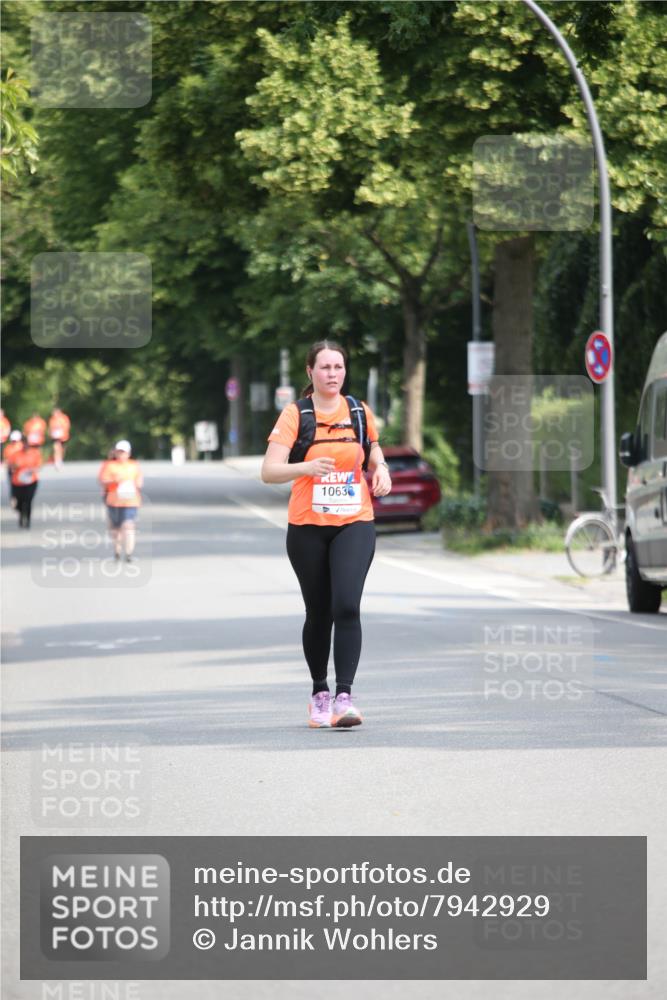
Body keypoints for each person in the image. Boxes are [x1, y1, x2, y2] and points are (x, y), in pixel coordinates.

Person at [261, 340, 392, 729]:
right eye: (325, 368)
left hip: (355, 520)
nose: (332, 374)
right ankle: (320, 692)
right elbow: (269, 471)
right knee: (319, 613)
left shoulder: (358, 411)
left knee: (347, 605)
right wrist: (305, 467)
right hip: (307, 526)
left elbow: (373, 450)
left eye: (338, 367)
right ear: (310, 373)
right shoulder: (295, 414)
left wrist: (380, 468)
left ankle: (344, 698)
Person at [98, 440, 143, 562]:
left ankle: (129, 553)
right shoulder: (109, 465)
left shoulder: (134, 465)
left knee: (128, 525)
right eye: (119, 452)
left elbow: (139, 482)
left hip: (131, 501)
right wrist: (115, 481)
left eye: (124, 452)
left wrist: (136, 485)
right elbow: (102, 481)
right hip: (114, 501)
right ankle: (117, 551)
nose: (121, 454)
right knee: (115, 528)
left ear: (128, 453)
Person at [9, 436, 42, 528]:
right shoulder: (15, 455)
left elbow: (38, 466)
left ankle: (27, 520)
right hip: (18, 482)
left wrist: (31, 470)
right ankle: (21, 515)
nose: (25, 445)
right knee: (19, 503)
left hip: (31, 481)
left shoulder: (35, 453)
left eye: (26, 443)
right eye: (23, 443)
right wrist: (15, 466)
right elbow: (11, 467)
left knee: (28, 501)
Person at [4, 430, 23, 507]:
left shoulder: (22, 447)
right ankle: (13, 499)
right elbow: (6, 460)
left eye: (16, 440)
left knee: (21, 485)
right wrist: (10, 467)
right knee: (12, 485)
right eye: (13, 440)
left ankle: (21, 498)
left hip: (21, 470)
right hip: (11, 470)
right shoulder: (8, 448)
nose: (14, 442)